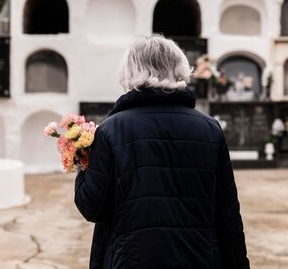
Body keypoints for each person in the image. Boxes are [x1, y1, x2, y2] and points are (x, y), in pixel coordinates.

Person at [74, 34, 250, 269]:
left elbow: (93, 207)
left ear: (130, 71)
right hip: (199, 259)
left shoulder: (111, 130)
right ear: (179, 68)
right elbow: (227, 214)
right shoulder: (209, 128)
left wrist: (82, 163)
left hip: (132, 260)